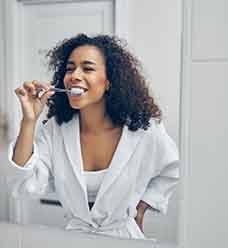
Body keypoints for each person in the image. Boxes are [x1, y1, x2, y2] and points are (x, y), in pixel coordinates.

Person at [8, 33, 180, 240]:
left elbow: (172, 169)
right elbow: (24, 184)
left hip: (125, 239)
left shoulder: (144, 130)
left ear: (109, 81)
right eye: (70, 69)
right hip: (75, 238)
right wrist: (29, 121)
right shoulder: (55, 130)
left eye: (87, 68)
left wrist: (142, 207)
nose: (74, 75)